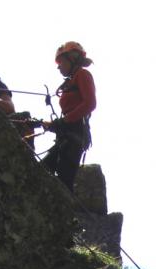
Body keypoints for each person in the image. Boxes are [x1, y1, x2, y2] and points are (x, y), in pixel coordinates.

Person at [41, 41, 96, 192]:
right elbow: (70, 115)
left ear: (72, 59)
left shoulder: (83, 75)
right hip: (67, 135)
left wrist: (63, 121)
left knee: (64, 181)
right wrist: (54, 125)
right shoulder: (71, 80)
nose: (58, 66)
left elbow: (90, 104)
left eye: (61, 61)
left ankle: (67, 214)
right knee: (43, 170)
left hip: (75, 136)